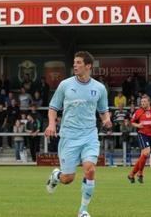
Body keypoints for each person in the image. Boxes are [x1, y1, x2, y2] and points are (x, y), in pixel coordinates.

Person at [44, 51, 111, 217]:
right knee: (68, 179)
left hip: (89, 135)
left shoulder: (99, 88)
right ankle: (56, 175)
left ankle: (83, 211)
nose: (75, 65)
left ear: (88, 66)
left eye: (79, 62)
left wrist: (106, 120)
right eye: (74, 62)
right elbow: (53, 107)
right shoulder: (65, 85)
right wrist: (52, 124)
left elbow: (103, 110)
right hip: (69, 136)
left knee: (90, 170)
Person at [127, 95, 151, 184]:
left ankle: (132, 174)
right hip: (142, 134)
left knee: (144, 155)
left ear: (149, 102)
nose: (142, 103)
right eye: (142, 102)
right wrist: (138, 125)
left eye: (144, 102)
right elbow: (132, 122)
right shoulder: (138, 112)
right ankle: (140, 173)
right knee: (146, 153)